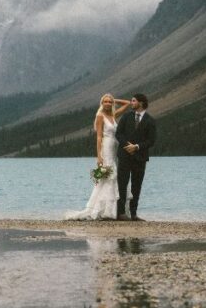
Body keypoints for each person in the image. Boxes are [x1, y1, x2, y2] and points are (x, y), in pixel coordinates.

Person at [64, 94, 132, 221]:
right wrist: (99, 156)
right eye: (105, 102)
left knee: (113, 176)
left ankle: (113, 210)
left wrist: (114, 99)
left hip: (114, 148)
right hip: (106, 147)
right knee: (108, 176)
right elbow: (99, 137)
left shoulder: (112, 115)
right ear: (101, 104)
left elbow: (127, 104)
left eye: (109, 102)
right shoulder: (100, 116)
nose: (107, 104)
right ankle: (105, 211)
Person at [115, 93, 157, 221]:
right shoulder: (126, 117)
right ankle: (121, 213)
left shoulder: (150, 120)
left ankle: (133, 214)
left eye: (133, 101)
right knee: (122, 184)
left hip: (140, 157)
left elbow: (151, 141)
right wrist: (129, 146)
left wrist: (137, 147)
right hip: (124, 155)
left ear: (141, 103)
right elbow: (119, 134)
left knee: (136, 185)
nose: (131, 103)